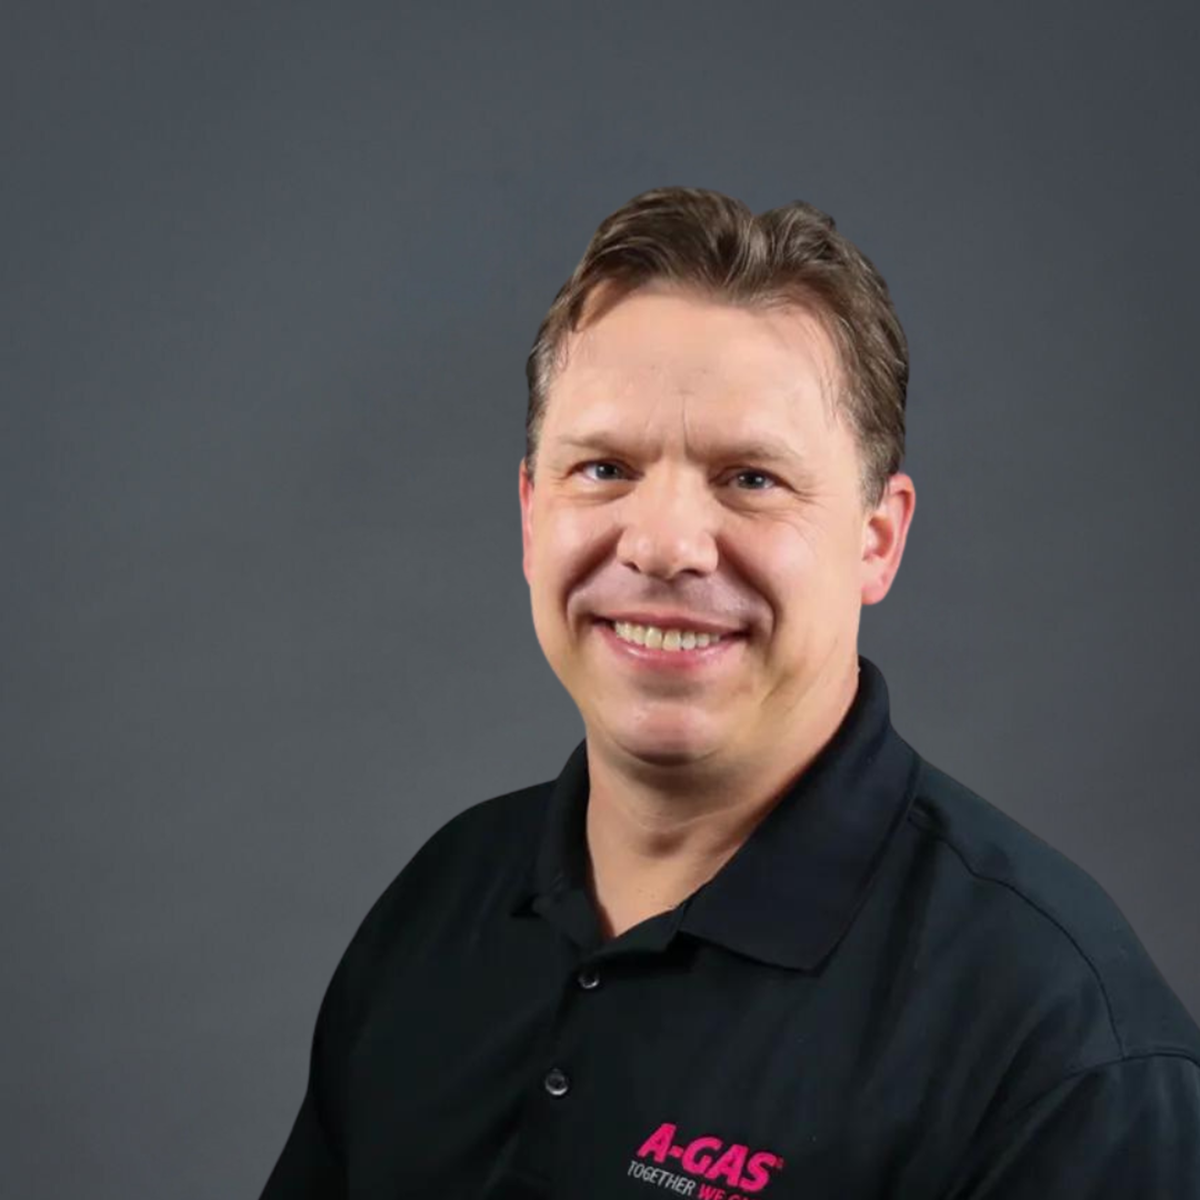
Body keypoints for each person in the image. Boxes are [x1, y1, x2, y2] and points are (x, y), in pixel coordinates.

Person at [260, 188, 1200, 1198]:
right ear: (533, 515)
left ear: (878, 538)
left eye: (750, 478)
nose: (663, 544)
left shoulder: (1061, 1049)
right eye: (605, 467)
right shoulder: (440, 906)